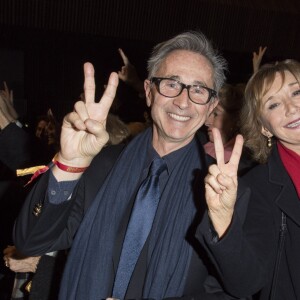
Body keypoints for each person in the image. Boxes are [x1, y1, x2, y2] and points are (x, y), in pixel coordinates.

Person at [12, 31, 242, 299]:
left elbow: (237, 289)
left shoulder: (225, 188)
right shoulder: (102, 166)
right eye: (171, 84)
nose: (183, 101)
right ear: (148, 91)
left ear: (211, 105)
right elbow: (31, 241)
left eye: (199, 90)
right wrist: (68, 164)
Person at [201, 59, 300, 300]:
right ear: (265, 128)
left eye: (297, 92)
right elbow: (246, 283)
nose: (291, 108)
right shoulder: (258, 187)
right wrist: (224, 221)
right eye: (273, 104)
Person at [204, 83, 256, 175]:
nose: (206, 122)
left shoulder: (243, 163)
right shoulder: (202, 144)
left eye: (215, 114)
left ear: (236, 119)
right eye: (207, 114)